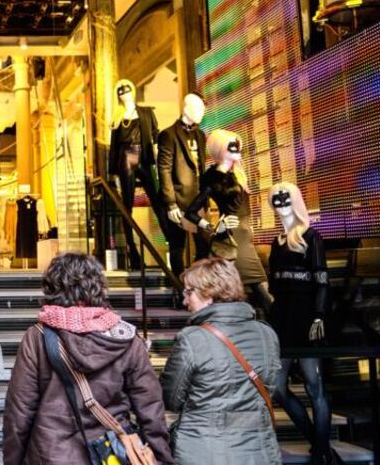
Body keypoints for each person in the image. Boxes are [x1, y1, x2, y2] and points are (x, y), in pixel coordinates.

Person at [3, 253, 173, 464]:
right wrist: (161, 456)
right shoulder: (126, 337)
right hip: (111, 455)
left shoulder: (37, 337)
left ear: (52, 288)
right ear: (99, 286)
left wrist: (12, 460)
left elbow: (19, 412)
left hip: (51, 454)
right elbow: (150, 408)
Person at [160, 258, 281, 465]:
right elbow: (268, 388)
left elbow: (170, 399)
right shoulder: (267, 334)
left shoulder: (192, 339)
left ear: (209, 293)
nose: (185, 301)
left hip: (203, 451)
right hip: (259, 452)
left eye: (188, 292)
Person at [267, 182, 339, 465]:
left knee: (314, 385)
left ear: (295, 201)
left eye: (285, 199)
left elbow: (321, 279)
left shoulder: (312, 237)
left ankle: (321, 450)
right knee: (277, 387)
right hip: (281, 317)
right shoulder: (276, 242)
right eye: (276, 200)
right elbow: (274, 282)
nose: (281, 204)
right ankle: (318, 444)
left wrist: (319, 314)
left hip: (306, 316)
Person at [184, 129, 272, 316]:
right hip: (231, 238)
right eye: (232, 147)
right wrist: (213, 228)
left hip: (245, 236)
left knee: (256, 291)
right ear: (220, 150)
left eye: (238, 146)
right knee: (259, 291)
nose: (238, 150)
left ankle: (259, 326)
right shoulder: (213, 179)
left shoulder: (238, 172)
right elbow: (190, 212)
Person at [107, 79, 163, 271]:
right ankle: (133, 251)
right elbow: (114, 147)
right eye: (120, 92)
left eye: (126, 90)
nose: (124, 94)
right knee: (127, 204)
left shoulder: (146, 112)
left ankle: (171, 240)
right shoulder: (118, 118)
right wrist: (114, 172)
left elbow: (155, 135)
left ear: (133, 91)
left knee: (157, 199)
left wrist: (158, 156)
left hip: (144, 155)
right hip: (126, 156)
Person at [156, 93, 210, 277]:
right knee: (177, 246)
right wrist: (170, 203)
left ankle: (193, 280)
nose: (203, 112)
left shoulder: (200, 135)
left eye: (203, 109)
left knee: (205, 243)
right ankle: (179, 286)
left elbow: (201, 167)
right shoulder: (168, 135)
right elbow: (164, 170)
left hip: (198, 200)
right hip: (178, 200)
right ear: (186, 109)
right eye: (199, 108)